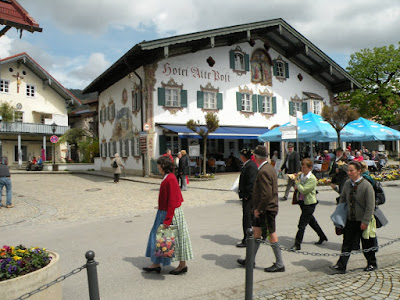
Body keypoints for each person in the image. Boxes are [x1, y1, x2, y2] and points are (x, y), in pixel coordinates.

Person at [237, 145, 285, 273]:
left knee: (271, 234)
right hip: (266, 207)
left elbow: (266, 194)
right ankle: (250, 259)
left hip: (267, 209)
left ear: (256, 157)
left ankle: (280, 263)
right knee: (257, 232)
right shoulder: (268, 168)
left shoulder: (264, 171)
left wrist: (259, 209)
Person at [143, 156, 193, 275]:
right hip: (165, 211)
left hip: (171, 212)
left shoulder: (170, 178)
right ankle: (156, 263)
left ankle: (182, 265)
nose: (158, 167)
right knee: (161, 238)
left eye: (159, 165)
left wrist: (168, 219)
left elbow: (173, 200)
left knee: (176, 238)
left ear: (163, 166)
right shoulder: (168, 177)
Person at [330, 161, 377, 274]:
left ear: (358, 171)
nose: (349, 173)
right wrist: (339, 217)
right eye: (348, 170)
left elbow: (370, 206)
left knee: (366, 243)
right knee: (346, 243)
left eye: (352, 170)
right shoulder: (347, 183)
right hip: (350, 219)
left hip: (362, 219)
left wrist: (365, 221)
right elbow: (342, 200)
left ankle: (372, 263)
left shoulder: (366, 185)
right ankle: (341, 265)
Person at [290, 158, 328, 250]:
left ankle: (297, 244)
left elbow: (304, 190)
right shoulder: (302, 175)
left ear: (310, 168)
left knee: (302, 224)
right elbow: (298, 187)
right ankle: (322, 236)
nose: (302, 169)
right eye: (301, 167)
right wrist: (295, 180)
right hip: (302, 202)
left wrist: (297, 183)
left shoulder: (312, 179)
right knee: (311, 221)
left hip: (310, 203)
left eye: (304, 168)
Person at [236, 148, 258, 248]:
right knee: (248, 217)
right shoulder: (248, 165)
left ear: (243, 156)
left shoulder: (250, 166)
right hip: (247, 196)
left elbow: (251, 183)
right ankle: (250, 237)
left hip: (249, 198)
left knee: (247, 218)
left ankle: (247, 239)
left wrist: (246, 195)